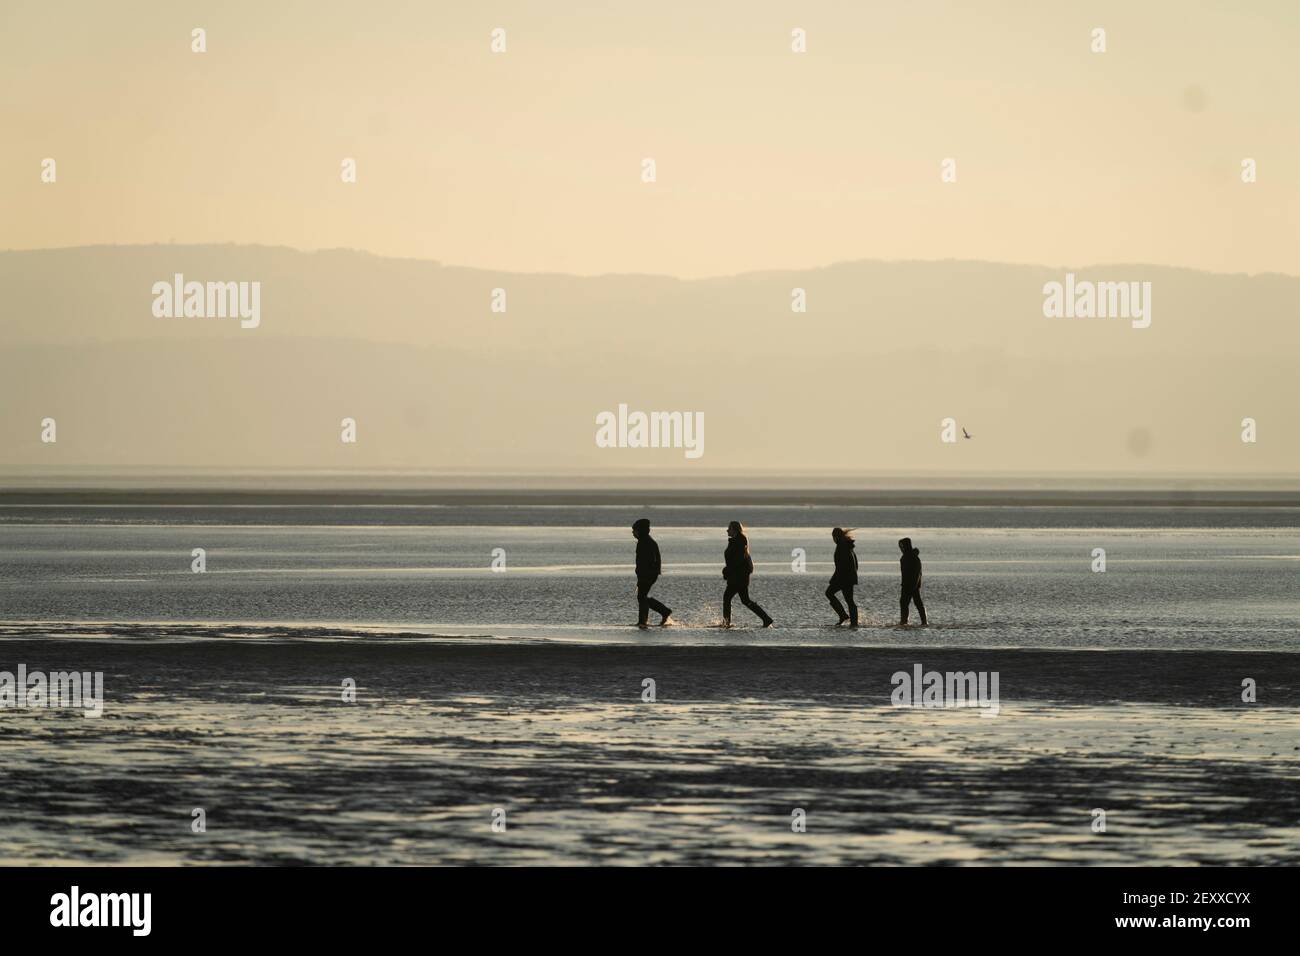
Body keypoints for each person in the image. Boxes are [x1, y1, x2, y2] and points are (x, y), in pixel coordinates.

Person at [722, 521, 773, 627]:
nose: (727, 530)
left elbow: (738, 560)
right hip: (738, 576)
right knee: (745, 600)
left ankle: (726, 623)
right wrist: (728, 570)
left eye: (729, 528)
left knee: (727, 597)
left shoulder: (740, 541)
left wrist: (727, 570)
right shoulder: (735, 541)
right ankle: (766, 619)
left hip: (739, 577)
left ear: (735, 530)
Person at [632, 518, 672, 628]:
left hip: (648, 575)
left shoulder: (647, 542)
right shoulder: (644, 541)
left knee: (642, 597)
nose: (633, 532)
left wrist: (644, 574)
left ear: (640, 530)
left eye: (634, 530)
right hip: (646, 574)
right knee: (642, 597)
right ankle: (661, 613)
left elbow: (650, 561)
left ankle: (643, 621)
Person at [826, 527, 858, 626]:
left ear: (836, 537)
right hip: (848, 577)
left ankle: (844, 616)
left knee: (829, 593)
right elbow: (855, 563)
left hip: (844, 577)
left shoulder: (842, 546)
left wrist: (834, 579)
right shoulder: (847, 545)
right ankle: (852, 622)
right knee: (849, 600)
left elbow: (841, 566)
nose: (833, 540)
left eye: (833, 537)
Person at [898, 537, 927, 626]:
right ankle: (905, 621)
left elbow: (917, 573)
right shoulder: (907, 556)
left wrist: (913, 585)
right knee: (909, 603)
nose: (901, 548)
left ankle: (906, 622)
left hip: (911, 584)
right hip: (908, 584)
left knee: (908, 603)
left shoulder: (912, 557)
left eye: (903, 546)